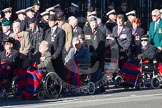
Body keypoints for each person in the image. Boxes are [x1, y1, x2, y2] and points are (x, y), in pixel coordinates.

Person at [44, 15, 65, 80]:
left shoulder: (61, 31)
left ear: (56, 21)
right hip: (48, 56)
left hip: (56, 56)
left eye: (51, 21)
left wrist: (55, 55)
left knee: (58, 74)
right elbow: (44, 43)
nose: (49, 22)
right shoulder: (47, 31)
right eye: (49, 21)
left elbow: (60, 46)